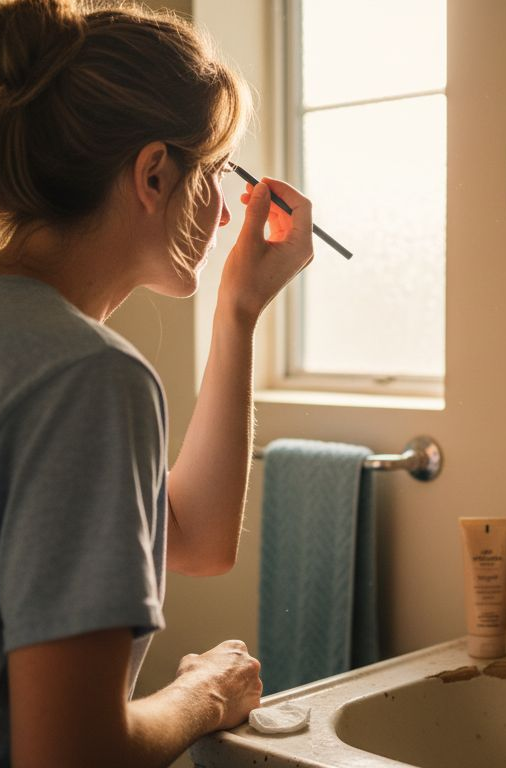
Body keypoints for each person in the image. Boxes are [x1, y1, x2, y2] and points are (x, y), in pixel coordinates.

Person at [0, 1, 313, 765]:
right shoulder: (87, 376)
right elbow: (73, 756)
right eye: (218, 172)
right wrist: (206, 692)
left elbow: (194, 540)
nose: (222, 211)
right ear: (153, 173)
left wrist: (236, 312)